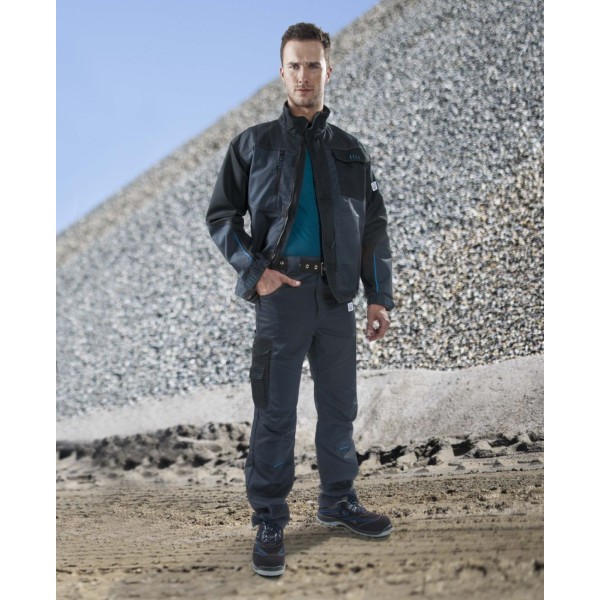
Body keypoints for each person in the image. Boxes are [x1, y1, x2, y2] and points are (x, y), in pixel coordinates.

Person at [206, 22, 395, 577]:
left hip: (336, 298)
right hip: (281, 297)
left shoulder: (350, 151)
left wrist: (378, 296)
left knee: (339, 408)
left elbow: (373, 227)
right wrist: (256, 272)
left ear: (328, 71)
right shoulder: (253, 144)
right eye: (295, 65)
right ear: (282, 72)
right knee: (275, 412)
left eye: (314, 65)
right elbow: (221, 216)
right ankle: (269, 519)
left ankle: (338, 502)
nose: (305, 75)